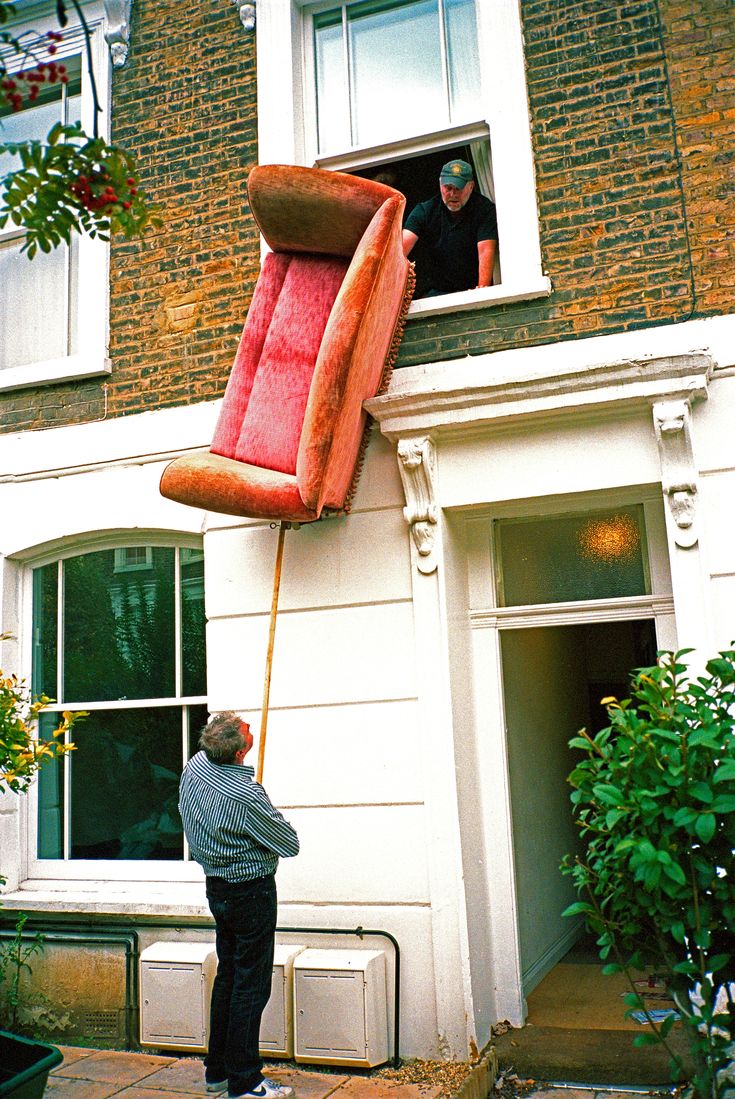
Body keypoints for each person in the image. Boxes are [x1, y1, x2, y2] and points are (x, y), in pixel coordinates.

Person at [179, 711, 300, 1099]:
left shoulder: (194, 767)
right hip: (251, 893)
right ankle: (246, 1081)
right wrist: (259, 807)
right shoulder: (246, 796)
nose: (251, 732)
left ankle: (217, 1074)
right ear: (238, 753)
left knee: (229, 978)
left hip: (217, 889)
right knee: (250, 985)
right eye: (248, 734)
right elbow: (289, 843)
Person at [402, 159, 498, 296]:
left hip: (471, 289)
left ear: (471, 186)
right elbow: (399, 251)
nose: (452, 194)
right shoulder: (424, 211)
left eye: (458, 188)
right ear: (440, 184)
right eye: (448, 188)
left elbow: (485, 250)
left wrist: (482, 291)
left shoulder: (484, 210)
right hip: (436, 291)